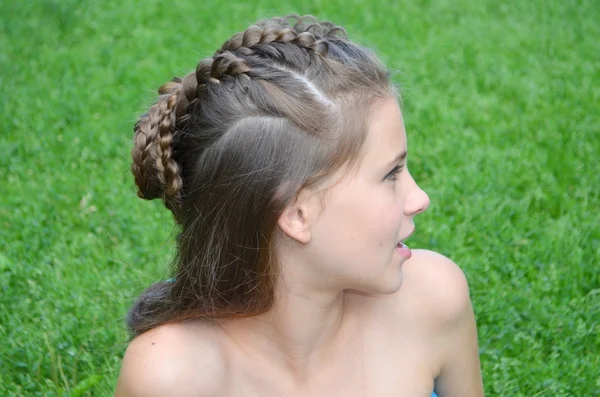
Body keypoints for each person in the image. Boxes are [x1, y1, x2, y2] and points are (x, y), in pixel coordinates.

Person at [115, 15, 483, 397]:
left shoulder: (434, 300)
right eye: (391, 174)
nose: (419, 198)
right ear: (297, 213)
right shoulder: (172, 378)